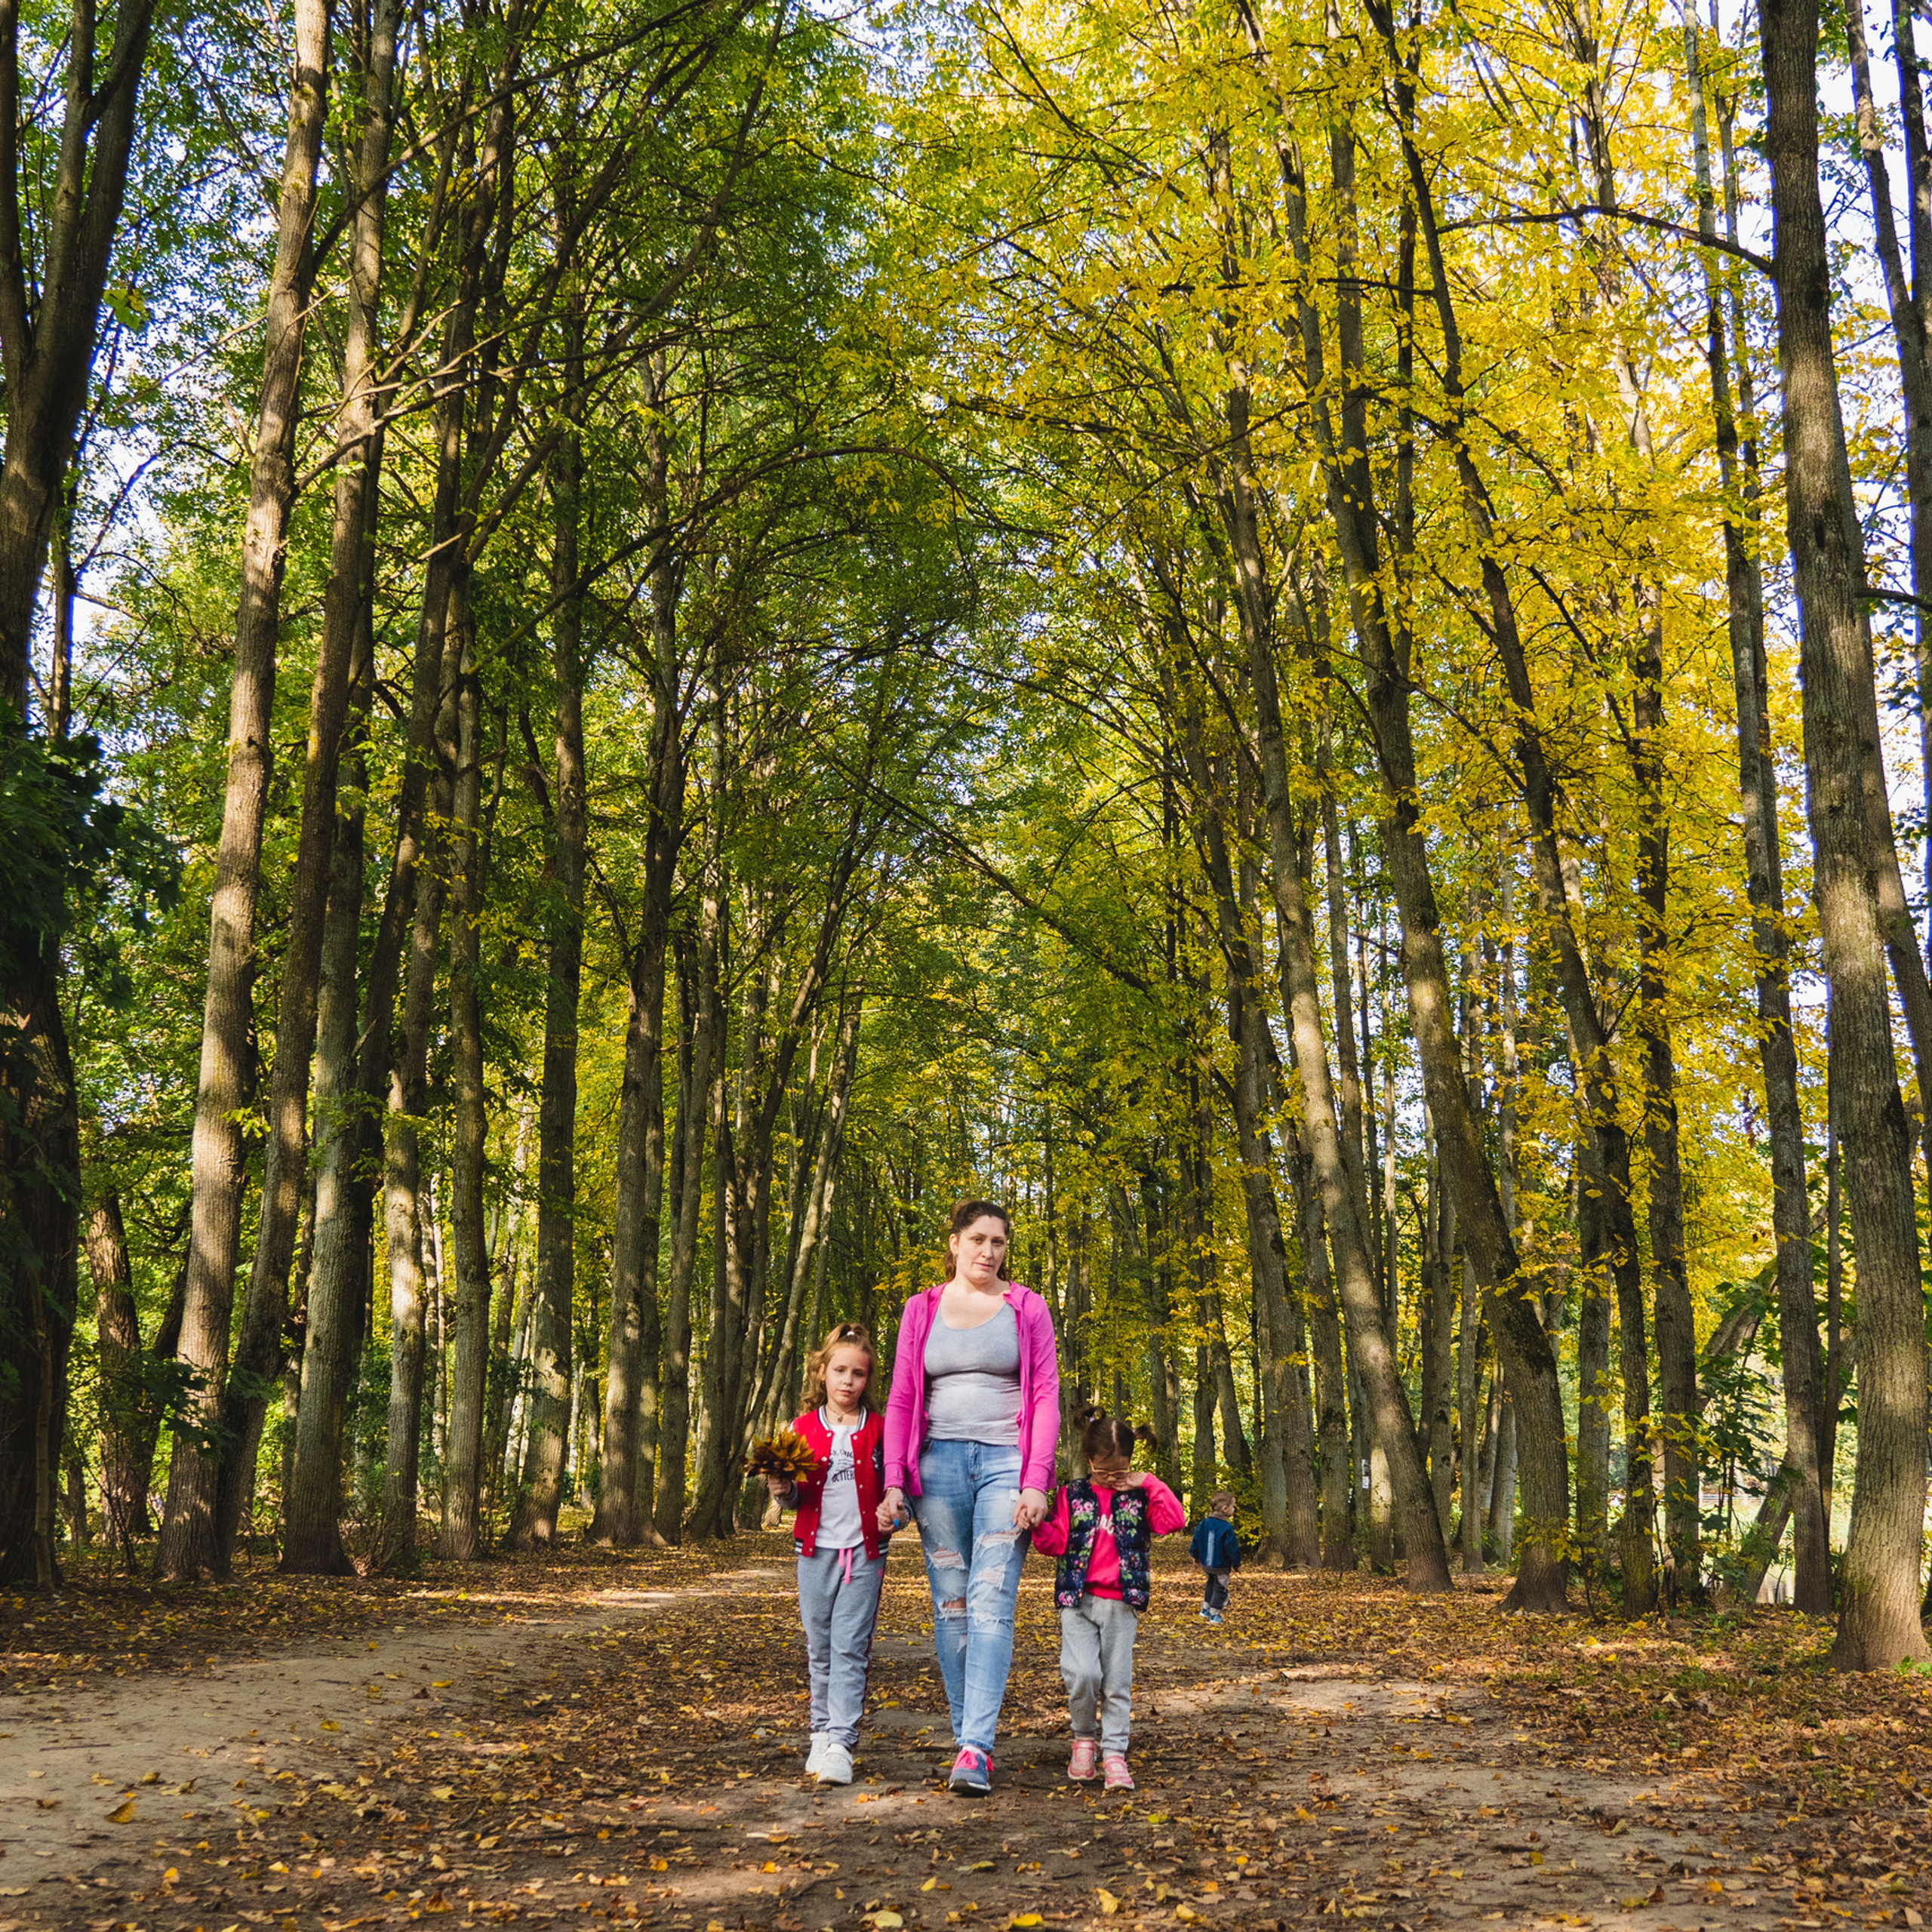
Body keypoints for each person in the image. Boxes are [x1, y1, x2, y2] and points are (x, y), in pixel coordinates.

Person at [880, 1198, 1060, 1795]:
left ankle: (976, 1748)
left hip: (1006, 1466)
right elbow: (904, 1395)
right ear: (954, 1243)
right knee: (952, 1606)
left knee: (991, 1601)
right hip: (939, 1470)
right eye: (977, 1239)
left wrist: (1037, 1480)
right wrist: (895, 1479)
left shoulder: (1027, 1308)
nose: (988, 1251)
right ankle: (967, 1737)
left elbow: (1045, 1397)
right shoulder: (920, 1309)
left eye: (999, 1242)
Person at [764, 1321, 897, 1786]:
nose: (848, 1381)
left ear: (868, 1380)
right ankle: (820, 1732)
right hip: (814, 1553)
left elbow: (901, 1496)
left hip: (864, 1554)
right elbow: (794, 1496)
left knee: (850, 1648)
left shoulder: (882, 1431)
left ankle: (842, 1741)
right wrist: (782, 1492)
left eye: (858, 1374)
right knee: (819, 1646)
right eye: (839, 1371)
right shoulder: (799, 1429)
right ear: (822, 1372)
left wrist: (893, 1516)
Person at [1029, 1407, 1186, 1792]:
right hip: (1077, 1601)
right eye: (1104, 1472)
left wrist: (1148, 1483)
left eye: (1121, 1471)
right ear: (1089, 1461)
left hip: (1121, 1603)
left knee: (1116, 1682)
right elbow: (1056, 1543)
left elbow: (1175, 1521)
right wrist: (1037, 1526)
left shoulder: (1138, 1497)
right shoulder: (1071, 1494)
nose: (1113, 1479)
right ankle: (1083, 1739)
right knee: (1083, 1674)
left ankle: (1114, 1753)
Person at [1190, 1491, 1242, 1625]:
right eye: (1233, 1507)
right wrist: (1237, 1563)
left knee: (1211, 1584)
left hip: (1207, 1564)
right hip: (1221, 1565)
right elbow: (1232, 1548)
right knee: (1220, 1588)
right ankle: (1215, 1614)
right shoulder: (1226, 1527)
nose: (1234, 1509)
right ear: (1225, 1509)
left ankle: (1205, 1609)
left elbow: (1196, 1540)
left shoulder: (1204, 1523)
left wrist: (1195, 1556)